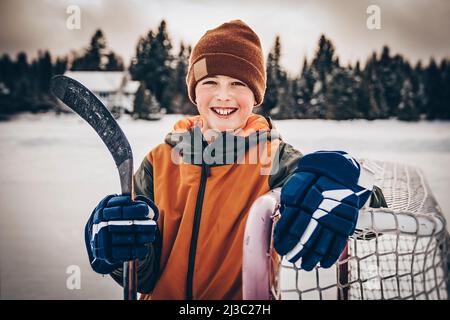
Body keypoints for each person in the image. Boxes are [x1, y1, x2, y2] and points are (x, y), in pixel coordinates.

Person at [84, 20, 386, 300]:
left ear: (255, 95)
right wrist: (117, 246)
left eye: (238, 84)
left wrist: (350, 191)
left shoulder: (275, 158)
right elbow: (144, 276)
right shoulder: (159, 162)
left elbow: (369, 218)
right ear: (194, 92)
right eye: (210, 82)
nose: (224, 96)